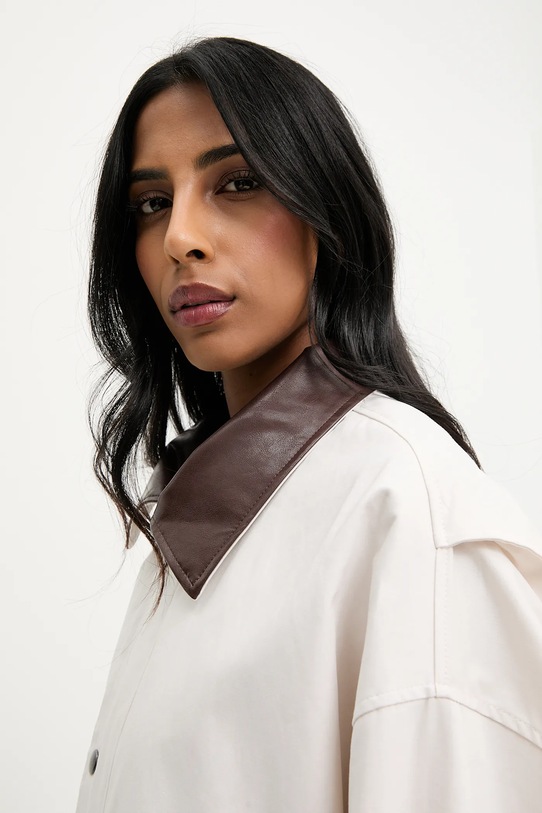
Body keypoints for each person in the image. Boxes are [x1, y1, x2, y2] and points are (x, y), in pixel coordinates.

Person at [77, 36, 542, 813]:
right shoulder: (194, 517)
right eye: (151, 203)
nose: (179, 238)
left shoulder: (409, 517)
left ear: (326, 212)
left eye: (237, 183)